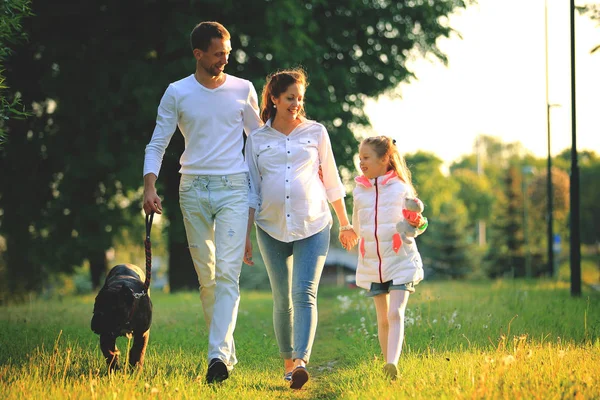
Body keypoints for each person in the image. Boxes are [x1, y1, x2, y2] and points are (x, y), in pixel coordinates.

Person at [142, 21, 262, 383]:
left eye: (228, 53)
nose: (225, 59)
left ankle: (216, 357)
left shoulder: (244, 89)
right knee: (208, 279)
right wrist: (149, 187)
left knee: (227, 274)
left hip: (234, 187)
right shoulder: (177, 93)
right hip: (192, 188)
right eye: (218, 54)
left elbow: (259, 143)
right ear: (198, 54)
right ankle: (226, 353)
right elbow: (157, 144)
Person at [244, 68, 358, 389]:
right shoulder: (256, 139)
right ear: (275, 99)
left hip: (314, 223)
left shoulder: (316, 132)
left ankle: (300, 363)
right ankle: (287, 364)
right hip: (270, 226)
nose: (296, 104)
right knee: (283, 298)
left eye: (300, 99)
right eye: (290, 98)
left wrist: (345, 223)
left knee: (304, 293)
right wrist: (245, 236)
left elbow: (333, 181)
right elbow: (252, 189)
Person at [347, 135, 427, 380]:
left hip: (400, 258)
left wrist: (415, 221)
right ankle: (388, 368)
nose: (361, 163)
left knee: (395, 314)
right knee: (382, 318)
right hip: (373, 262)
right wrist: (349, 233)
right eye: (360, 158)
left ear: (384, 159)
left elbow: (417, 225)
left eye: (366, 158)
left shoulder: (401, 188)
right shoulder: (359, 190)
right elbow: (357, 226)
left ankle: (393, 362)